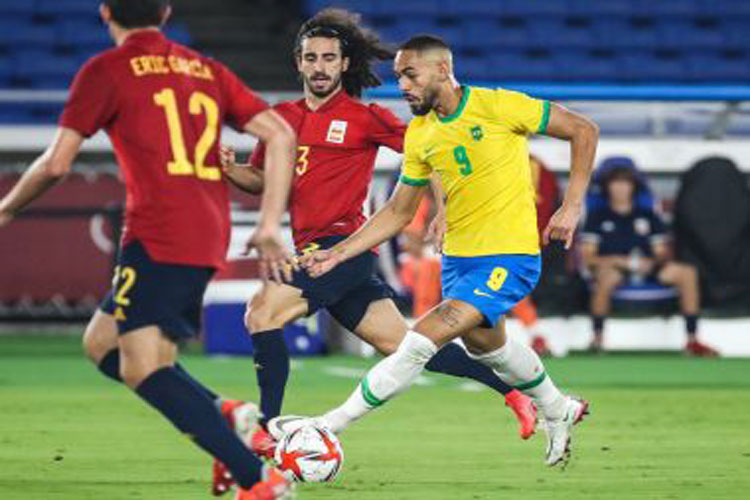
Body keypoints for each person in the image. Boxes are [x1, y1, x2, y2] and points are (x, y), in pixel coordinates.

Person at [0, 1, 297, 499]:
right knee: (101, 343)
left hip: (160, 234)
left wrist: (6, 209)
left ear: (105, 13)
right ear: (164, 13)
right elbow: (281, 133)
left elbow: (56, 164)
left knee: (143, 367)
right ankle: (224, 415)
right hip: (205, 230)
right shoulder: (206, 69)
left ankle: (257, 479)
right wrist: (268, 222)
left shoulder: (106, 70)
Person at [219, 9, 537, 469]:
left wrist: (443, 207)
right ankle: (514, 395)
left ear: (344, 64)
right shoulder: (279, 122)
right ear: (299, 64)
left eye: (330, 57)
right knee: (404, 347)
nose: (321, 66)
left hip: (342, 247)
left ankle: (268, 430)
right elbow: (264, 179)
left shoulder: (366, 118)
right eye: (312, 58)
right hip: (317, 249)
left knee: (261, 313)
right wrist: (233, 172)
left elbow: (432, 151)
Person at [299, 34, 600, 467]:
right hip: (458, 259)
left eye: (410, 74)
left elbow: (583, 130)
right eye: (399, 76)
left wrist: (570, 206)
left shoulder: (498, 106)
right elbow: (398, 212)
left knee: (421, 337)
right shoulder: (421, 134)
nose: (402, 85)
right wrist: (337, 253)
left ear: (442, 70)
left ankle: (329, 425)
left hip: (509, 256)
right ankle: (558, 407)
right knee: (488, 348)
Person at [579, 165, 717, 356]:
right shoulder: (597, 217)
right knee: (606, 277)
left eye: (625, 183)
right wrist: (618, 260)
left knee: (687, 273)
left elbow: (661, 251)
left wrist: (651, 262)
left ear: (633, 187)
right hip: (613, 267)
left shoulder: (647, 215)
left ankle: (692, 340)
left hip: (647, 267)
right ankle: (597, 339)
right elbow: (589, 257)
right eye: (616, 183)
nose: (620, 188)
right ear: (608, 187)